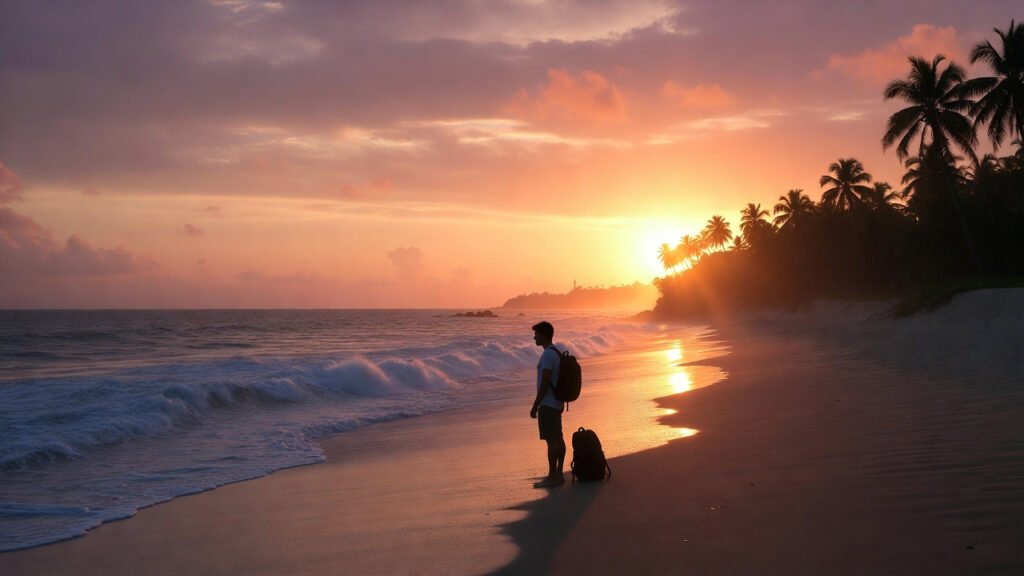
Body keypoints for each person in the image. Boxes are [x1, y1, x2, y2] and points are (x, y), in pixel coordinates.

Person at [529, 321, 565, 488]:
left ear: (543, 335)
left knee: (551, 441)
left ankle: (552, 476)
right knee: (558, 438)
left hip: (548, 404)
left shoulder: (548, 355)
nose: (534, 337)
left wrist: (535, 405)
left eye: (536, 334)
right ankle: (559, 473)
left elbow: (545, 382)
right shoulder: (556, 352)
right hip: (556, 402)